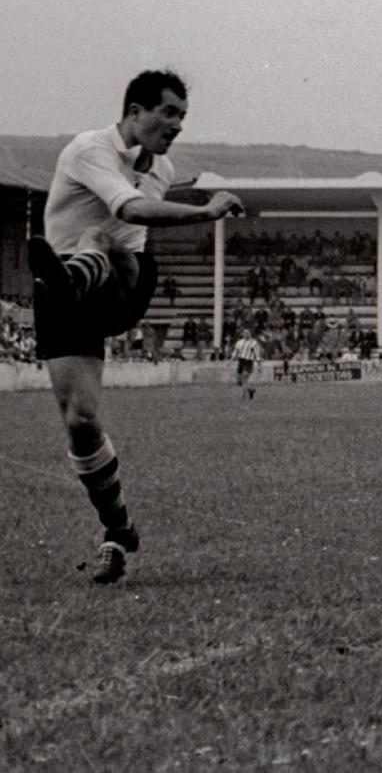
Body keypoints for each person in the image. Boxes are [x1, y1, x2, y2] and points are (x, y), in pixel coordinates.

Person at [28, 69, 244, 584]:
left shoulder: (162, 167)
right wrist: (207, 211)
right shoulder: (89, 150)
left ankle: (78, 276)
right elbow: (132, 202)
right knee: (80, 420)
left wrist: (201, 212)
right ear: (134, 112)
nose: (176, 126)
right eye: (168, 113)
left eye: (182, 117)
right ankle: (117, 529)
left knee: (103, 237)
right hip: (64, 295)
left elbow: (132, 215)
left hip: (123, 281)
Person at [232, 328, 262, 401]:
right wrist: (231, 360)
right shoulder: (239, 342)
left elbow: (257, 354)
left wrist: (259, 365)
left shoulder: (254, 343)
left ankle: (243, 396)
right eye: (245, 333)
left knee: (244, 378)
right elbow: (236, 351)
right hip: (241, 361)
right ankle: (250, 390)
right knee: (239, 381)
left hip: (249, 361)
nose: (246, 335)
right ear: (242, 334)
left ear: (250, 334)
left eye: (248, 333)